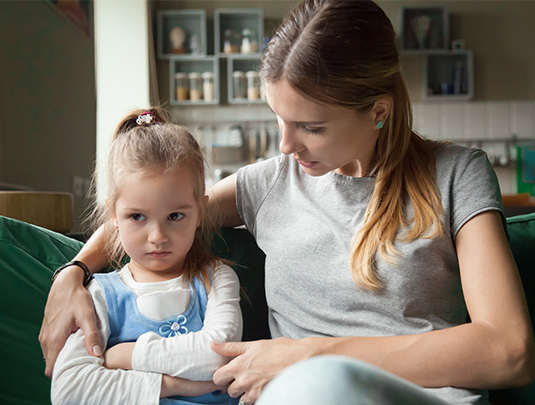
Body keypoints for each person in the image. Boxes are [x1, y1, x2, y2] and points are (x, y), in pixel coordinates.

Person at [41, 1, 535, 404]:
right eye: (280, 118)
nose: (286, 145)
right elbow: (155, 214)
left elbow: (509, 350)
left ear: (378, 112)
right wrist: (73, 272)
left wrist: (311, 356)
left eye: (311, 127)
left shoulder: (456, 174)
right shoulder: (269, 184)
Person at [50, 109, 242, 405]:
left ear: (200, 211)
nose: (157, 236)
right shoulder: (100, 293)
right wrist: (174, 385)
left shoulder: (215, 278)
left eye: (175, 216)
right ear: (113, 215)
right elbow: (69, 389)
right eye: (137, 216)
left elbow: (219, 353)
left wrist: (127, 355)